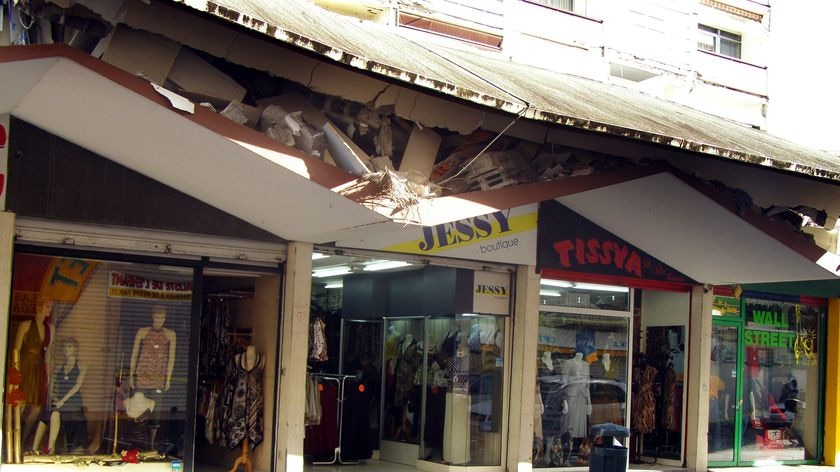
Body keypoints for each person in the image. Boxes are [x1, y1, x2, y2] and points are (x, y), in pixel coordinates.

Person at [129, 305, 177, 450]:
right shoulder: (142, 332)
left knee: (156, 411)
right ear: (152, 317)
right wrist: (131, 374)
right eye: (157, 317)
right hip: (142, 375)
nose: (159, 321)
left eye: (162, 317)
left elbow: (171, 357)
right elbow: (134, 353)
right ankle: (139, 441)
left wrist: (168, 378)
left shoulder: (170, 334)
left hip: (158, 378)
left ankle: (151, 444)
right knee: (140, 409)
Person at [32, 337, 87, 454]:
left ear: (76, 349)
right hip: (59, 400)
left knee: (55, 412)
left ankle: (50, 449)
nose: (66, 349)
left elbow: (77, 385)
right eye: (64, 346)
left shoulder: (81, 366)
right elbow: (51, 387)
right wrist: (56, 398)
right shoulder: (58, 367)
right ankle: (34, 448)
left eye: (69, 346)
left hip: (73, 401)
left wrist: (63, 400)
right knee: (48, 414)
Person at [14, 298, 53, 450]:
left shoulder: (50, 328)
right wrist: (14, 373)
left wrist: (48, 372)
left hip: (39, 369)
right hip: (25, 366)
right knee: (21, 404)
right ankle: (13, 438)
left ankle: (23, 439)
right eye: (48, 305)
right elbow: (16, 350)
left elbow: (48, 352)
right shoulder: (25, 325)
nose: (49, 309)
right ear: (39, 307)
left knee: (36, 408)